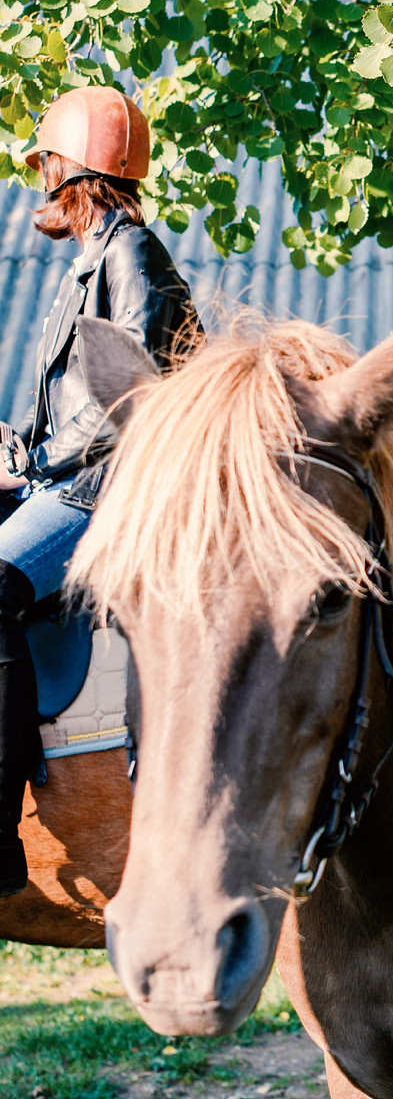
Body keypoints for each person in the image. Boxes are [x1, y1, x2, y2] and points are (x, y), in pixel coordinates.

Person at [0, 87, 197, 898]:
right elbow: (57, 399)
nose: (39, 179)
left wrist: (40, 462)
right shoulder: (86, 260)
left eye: (46, 163)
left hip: (100, 491)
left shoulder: (131, 254)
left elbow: (129, 398)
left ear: (73, 170)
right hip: (65, 473)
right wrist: (16, 445)